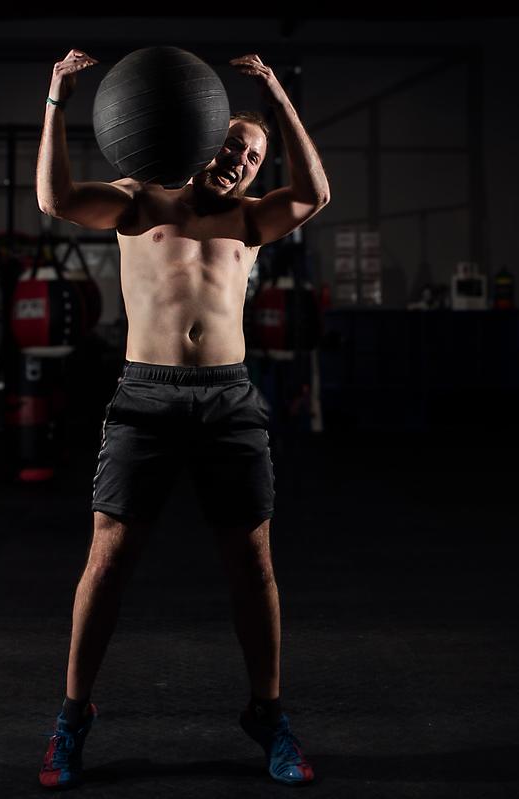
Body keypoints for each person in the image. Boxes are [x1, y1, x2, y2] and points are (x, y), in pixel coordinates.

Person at [36, 48, 329, 789]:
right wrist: (55, 100)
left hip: (229, 399)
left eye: (254, 156)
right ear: (203, 138)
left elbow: (317, 194)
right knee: (106, 560)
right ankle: (73, 716)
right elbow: (54, 199)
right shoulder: (141, 200)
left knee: (253, 563)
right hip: (146, 397)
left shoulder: (252, 220)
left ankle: (268, 713)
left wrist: (279, 101)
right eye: (232, 143)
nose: (240, 159)